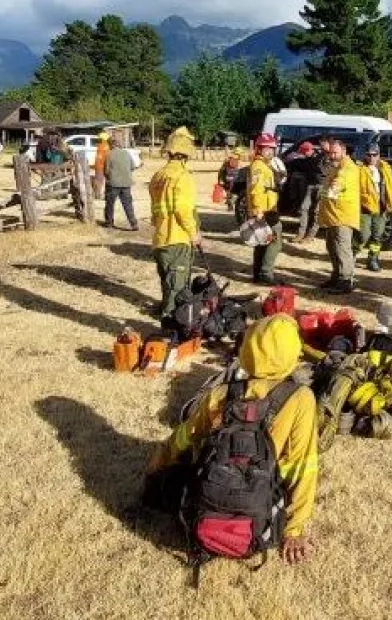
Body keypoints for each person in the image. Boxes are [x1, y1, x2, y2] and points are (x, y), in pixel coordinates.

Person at [145, 313, 318, 565]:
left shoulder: (220, 393)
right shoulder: (301, 399)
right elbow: (304, 465)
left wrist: (155, 468)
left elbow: (183, 437)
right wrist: (294, 530)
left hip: (210, 496)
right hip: (262, 502)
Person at [149, 127, 202, 319]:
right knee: (177, 285)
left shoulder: (158, 175)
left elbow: (155, 210)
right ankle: (171, 320)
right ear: (186, 154)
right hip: (177, 238)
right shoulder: (182, 177)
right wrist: (194, 233)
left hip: (160, 238)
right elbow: (183, 210)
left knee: (167, 280)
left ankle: (166, 307)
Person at [318, 138, 361, 294]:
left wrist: (327, 191)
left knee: (342, 249)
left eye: (335, 153)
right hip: (333, 216)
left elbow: (337, 185)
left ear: (344, 151)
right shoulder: (336, 167)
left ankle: (345, 280)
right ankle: (336, 276)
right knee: (332, 248)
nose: (331, 156)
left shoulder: (347, 169)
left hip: (343, 217)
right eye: (330, 152)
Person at [247, 133, 283, 286]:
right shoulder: (259, 168)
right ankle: (265, 274)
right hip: (265, 211)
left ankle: (258, 275)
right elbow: (256, 190)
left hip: (266, 209)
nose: (272, 152)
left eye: (273, 149)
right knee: (274, 241)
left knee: (261, 242)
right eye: (269, 149)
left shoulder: (263, 165)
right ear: (260, 149)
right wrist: (258, 211)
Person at [357, 144, 392, 272]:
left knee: (377, 237)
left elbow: (391, 187)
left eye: (375, 154)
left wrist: (390, 203)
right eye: (369, 155)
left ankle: (373, 260)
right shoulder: (359, 169)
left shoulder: (385, 168)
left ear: (379, 155)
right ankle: (350, 256)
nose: (372, 157)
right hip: (365, 208)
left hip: (381, 208)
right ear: (365, 155)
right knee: (363, 235)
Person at [103, 133, 139, 230]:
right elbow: (132, 167)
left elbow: (106, 171)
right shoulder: (126, 153)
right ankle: (134, 224)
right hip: (126, 183)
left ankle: (109, 223)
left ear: (111, 144)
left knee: (110, 204)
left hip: (113, 184)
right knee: (128, 204)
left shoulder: (109, 155)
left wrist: (109, 177)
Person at [93, 131, 111, 199]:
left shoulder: (100, 146)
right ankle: (99, 195)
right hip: (103, 166)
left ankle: (98, 194)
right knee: (102, 181)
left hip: (99, 166)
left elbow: (99, 157)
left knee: (98, 181)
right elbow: (106, 157)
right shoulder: (106, 146)